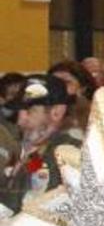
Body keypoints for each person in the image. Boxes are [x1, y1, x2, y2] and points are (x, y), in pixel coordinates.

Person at [0, 75, 82, 215]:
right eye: (19, 112)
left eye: (29, 111)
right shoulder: (30, 150)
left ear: (57, 112)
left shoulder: (67, 154)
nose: (20, 121)